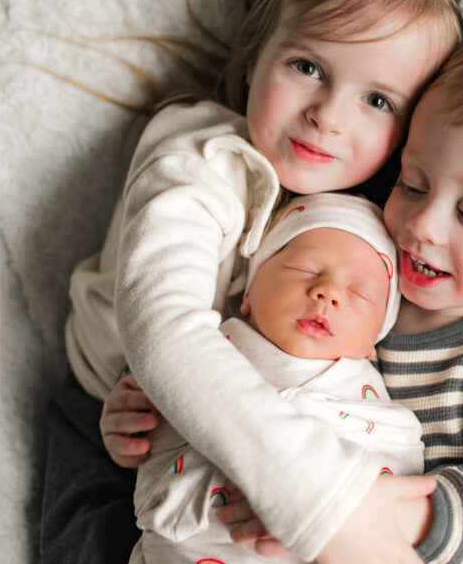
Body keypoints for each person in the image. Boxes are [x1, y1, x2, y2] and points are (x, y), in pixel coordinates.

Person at [107, 34, 463, 563]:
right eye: (413, 184)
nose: (423, 225)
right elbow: (223, 374)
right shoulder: (342, 253)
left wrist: (406, 516)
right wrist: (143, 419)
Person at [39, 0, 463, 564]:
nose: (327, 116)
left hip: (251, 444)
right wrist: (317, 493)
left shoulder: (369, 215)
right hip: (118, 422)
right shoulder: (198, 159)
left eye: (377, 100)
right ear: (259, 46)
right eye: (307, 66)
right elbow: (165, 330)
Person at [130, 192, 425, 564]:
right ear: (249, 292)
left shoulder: (376, 411)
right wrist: (126, 424)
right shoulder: (205, 349)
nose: (328, 292)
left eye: (358, 292)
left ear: (373, 344)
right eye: (304, 268)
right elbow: (163, 407)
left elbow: (391, 494)